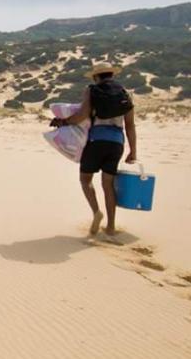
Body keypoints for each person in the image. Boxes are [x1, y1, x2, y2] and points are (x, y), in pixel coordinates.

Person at [50, 62, 138, 236]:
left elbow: (82, 115)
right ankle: (111, 226)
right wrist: (133, 151)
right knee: (108, 185)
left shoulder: (92, 90)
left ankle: (97, 212)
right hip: (117, 143)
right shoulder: (125, 94)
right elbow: (130, 125)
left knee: (85, 180)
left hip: (96, 140)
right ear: (112, 75)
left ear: (96, 77)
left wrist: (62, 122)